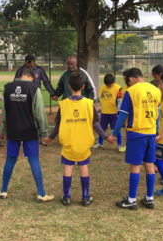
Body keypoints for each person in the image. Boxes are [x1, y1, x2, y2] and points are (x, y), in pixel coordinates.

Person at [42, 72, 115, 206]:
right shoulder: (89, 103)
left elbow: (58, 125)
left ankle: (67, 197)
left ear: (69, 86)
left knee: (68, 167)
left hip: (69, 141)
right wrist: (106, 137)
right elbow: (95, 124)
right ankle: (85, 197)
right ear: (83, 86)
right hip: (83, 142)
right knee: (83, 167)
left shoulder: (63, 104)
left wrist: (49, 138)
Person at [0, 68, 54, 202]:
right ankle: (41, 193)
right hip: (29, 131)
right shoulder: (34, 88)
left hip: (13, 130)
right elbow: (39, 112)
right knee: (34, 160)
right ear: (31, 78)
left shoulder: (8, 88)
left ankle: (3, 190)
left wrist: (4, 130)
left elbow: (4, 112)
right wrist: (44, 132)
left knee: (10, 160)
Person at [111, 68, 161, 210]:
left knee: (135, 166)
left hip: (136, 133)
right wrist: (156, 131)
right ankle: (149, 198)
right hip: (151, 133)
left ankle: (132, 200)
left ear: (131, 78)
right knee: (150, 165)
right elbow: (157, 113)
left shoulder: (131, 92)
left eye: (126, 79)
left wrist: (114, 133)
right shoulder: (156, 90)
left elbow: (122, 115)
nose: (127, 82)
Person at [93, 74, 125, 152]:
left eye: (109, 84)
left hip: (114, 113)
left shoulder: (118, 88)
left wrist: (119, 112)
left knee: (115, 129)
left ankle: (119, 145)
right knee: (102, 128)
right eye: (106, 84)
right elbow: (100, 98)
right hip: (104, 112)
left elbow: (119, 101)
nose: (108, 86)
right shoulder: (102, 88)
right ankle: (100, 143)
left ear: (113, 82)